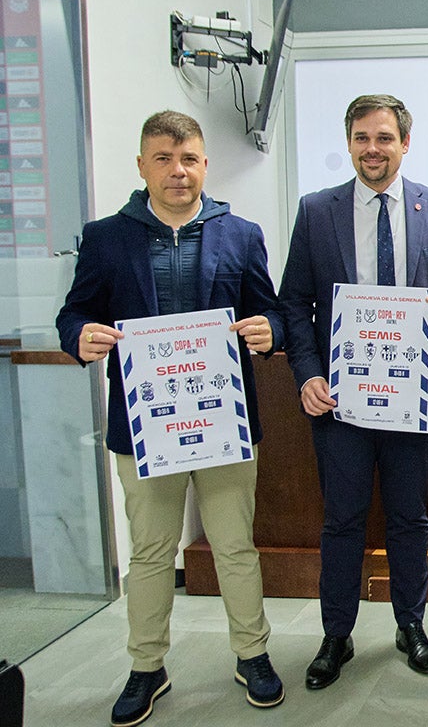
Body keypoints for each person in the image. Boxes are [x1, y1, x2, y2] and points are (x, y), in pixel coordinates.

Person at [56, 111, 285, 726]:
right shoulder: (106, 237)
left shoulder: (241, 234)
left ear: (205, 164)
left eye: (188, 158)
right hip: (144, 424)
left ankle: (252, 653)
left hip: (223, 421)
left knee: (235, 545)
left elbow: (272, 313)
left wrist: (269, 332)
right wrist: (81, 337)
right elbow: (72, 316)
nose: (177, 171)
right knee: (152, 552)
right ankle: (146, 665)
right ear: (142, 166)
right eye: (163, 158)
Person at [278, 94, 428, 690]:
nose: (372, 149)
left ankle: (411, 626)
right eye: (361, 138)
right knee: (343, 521)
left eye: (384, 138)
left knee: (410, 519)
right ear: (350, 143)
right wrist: (307, 375)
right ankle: (337, 635)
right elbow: (293, 302)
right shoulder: (316, 211)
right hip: (341, 400)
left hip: (411, 395)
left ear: (404, 143)